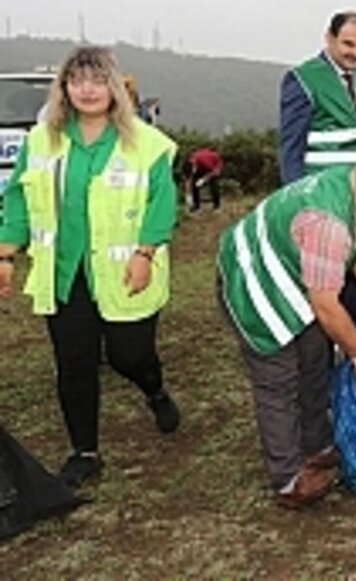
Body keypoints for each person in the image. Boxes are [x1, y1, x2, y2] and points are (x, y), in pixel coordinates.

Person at [0, 46, 181, 488]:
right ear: (63, 89)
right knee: (74, 361)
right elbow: (19, 197)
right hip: (64, 274)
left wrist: (145, 253)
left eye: (98, 80)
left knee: (128, 354)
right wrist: (5, 253)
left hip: (125, 274)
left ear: (115, 88)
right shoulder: (42, 140)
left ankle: (153, 388)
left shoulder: (147, 143)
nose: (88, 89)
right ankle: (85, 451)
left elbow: (163, 204)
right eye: (77, 80)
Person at [217, 145, 356, 509]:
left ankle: (316, 445)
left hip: (297, 274)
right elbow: (326, 305)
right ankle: (288, 478)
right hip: (254, 280)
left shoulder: (355, 190)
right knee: (278, 378)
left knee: (314, 358)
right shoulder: (326, 221)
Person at [279, 10, 356, 334]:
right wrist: (300, 206)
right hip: (323, 207)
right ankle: (322, 372)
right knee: (324, 293)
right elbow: (290, 149)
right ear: (329, 39)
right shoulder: (302, 79)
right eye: (348, 44)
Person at [184, 146, 224, 213]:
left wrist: (203, 179)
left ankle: (217, 207)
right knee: (194, 185)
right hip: (200, 167)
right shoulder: (188, 163)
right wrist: (188, 195)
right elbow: (188, 179)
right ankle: (197, 207)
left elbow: (214, 172)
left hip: (214, 166)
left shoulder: (205, 162)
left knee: (214, 186)